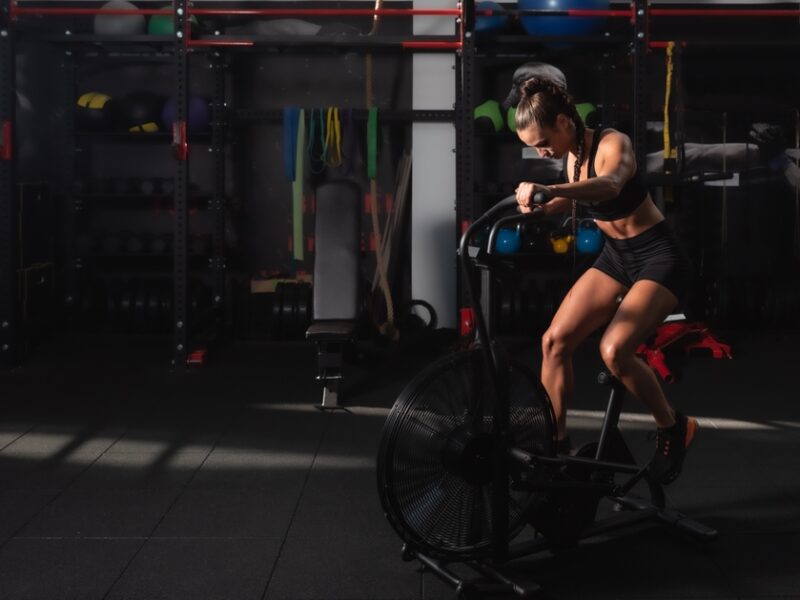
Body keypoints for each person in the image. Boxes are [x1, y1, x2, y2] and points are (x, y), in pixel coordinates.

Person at [510, 75, 697, 485]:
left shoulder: (614, 144)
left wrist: (549, 186)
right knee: (554, 342)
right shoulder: (570, 154)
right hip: (616, 257)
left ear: (563, 122)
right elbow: (570, 197)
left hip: (658, 257)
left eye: (542, 141)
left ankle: (673, 427)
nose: (541, 151)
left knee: (614, 350)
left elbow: (609, 184)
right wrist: (539, 208)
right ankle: (556, 448)